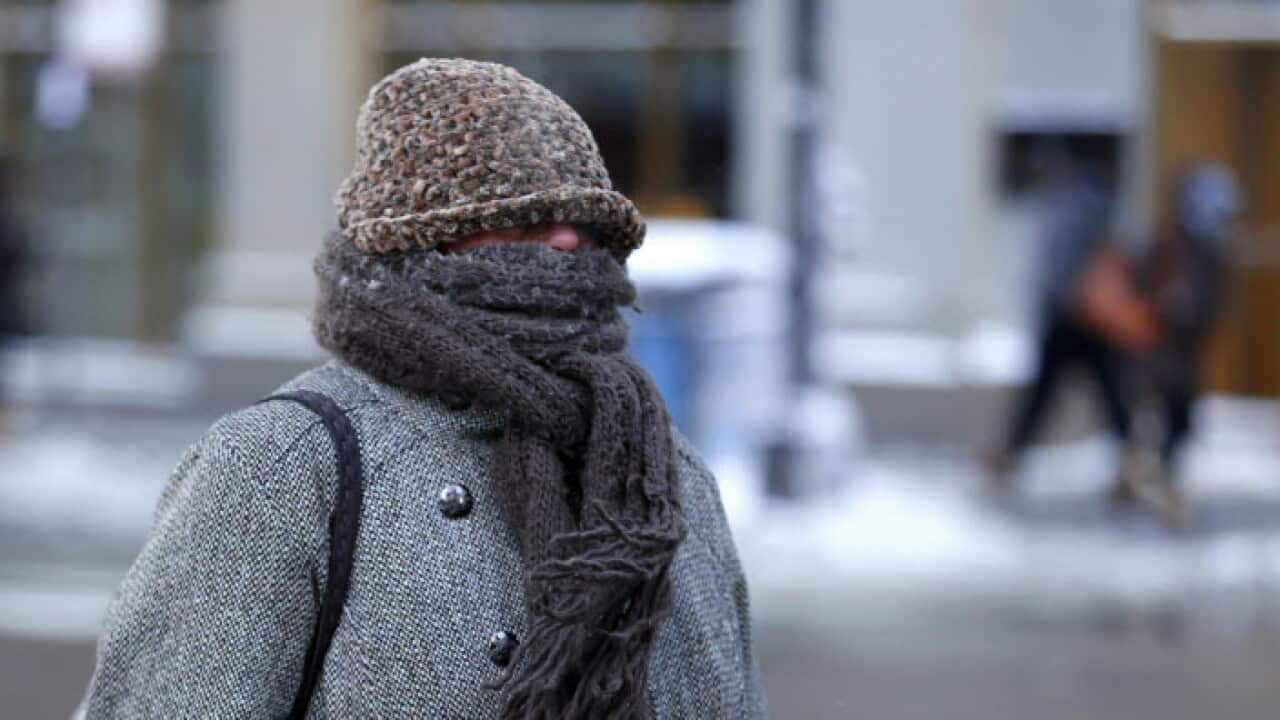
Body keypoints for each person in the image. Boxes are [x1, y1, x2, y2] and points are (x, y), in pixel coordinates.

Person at [81, 59, 766, 719]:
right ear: (422, 241)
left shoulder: (659, 470)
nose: (564, 239)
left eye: (587, 222)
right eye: (521, 212)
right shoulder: (281, 467)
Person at [988, 147, 1134, 482]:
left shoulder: (1077, 206)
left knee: (1084, 391)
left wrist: (1061, 300)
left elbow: (1067, 266)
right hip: (1077, 315)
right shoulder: (1085, 204)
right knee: (1097, 392)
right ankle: (1130, 459)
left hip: (1079, 315)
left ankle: (1131, 460)